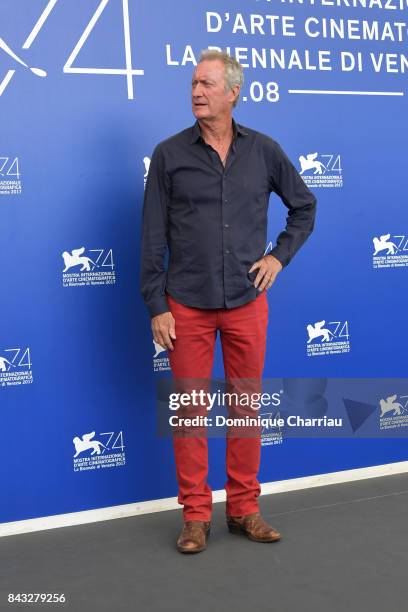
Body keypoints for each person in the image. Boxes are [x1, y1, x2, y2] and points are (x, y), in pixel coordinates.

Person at [140, 49, 317, 553]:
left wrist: (278, 257)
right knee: (190, 412)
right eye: (194, 83)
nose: (197, 92)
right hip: (186, 304)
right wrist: (156, 303)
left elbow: (304, 206)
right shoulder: (169, 154)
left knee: (245, 408)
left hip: (245, 300)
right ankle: (196, 516)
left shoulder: (264, 151)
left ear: (233, 93)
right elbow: (152, 236)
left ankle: (244, 510)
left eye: (207, 84)